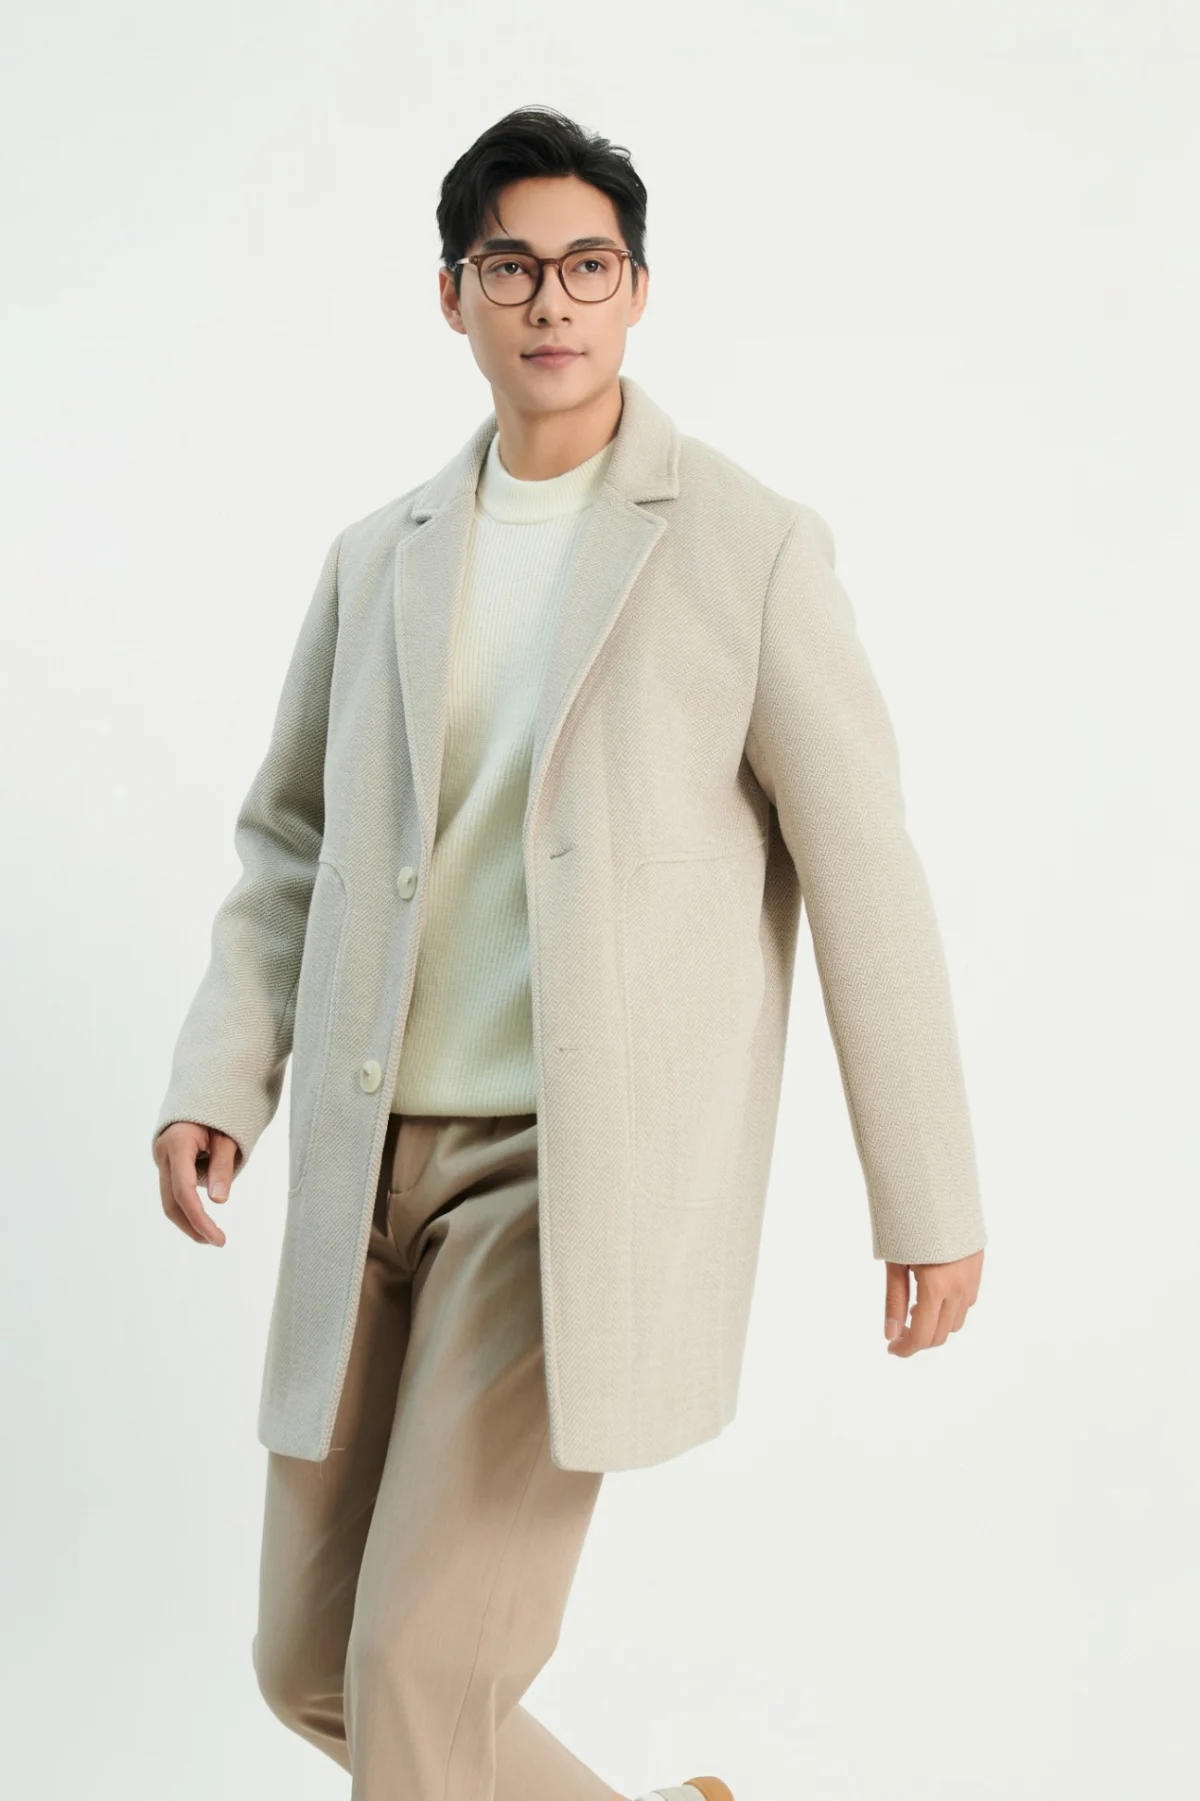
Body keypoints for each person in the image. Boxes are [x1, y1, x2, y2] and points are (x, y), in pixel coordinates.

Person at [151, 104, 987, 1801]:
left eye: (589, 266)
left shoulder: (746, 546)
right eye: (513, 267)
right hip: (362, 1167)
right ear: (451, 296)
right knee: (311, 1667)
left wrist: (929, 1196)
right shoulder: (376, 557)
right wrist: (221, 1073)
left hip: (565, 1180)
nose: (553, 301)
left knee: (412, 1672)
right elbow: (292, 845)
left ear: (640, 289)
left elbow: (864, 874)